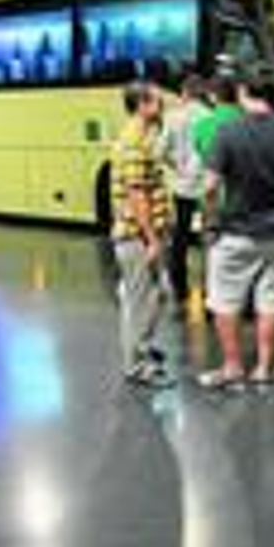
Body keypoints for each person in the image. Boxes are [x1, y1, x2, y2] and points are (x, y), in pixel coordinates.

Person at [200, 70, 274, 389]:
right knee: (271, 299)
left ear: (243, 91)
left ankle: (233, 366)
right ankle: (264, 367)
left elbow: (209, 185)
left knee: (225, 301)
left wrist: (210, 218)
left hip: (235, 232)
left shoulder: (228, 131)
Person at [110, 81, 174, 390]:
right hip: (137, 237)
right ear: (141, 105)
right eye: (157, 101)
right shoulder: (135, 142)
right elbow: (137, 196)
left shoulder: (141, 138)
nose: (162, 105)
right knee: (141, 299)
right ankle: (136, 365)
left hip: (141, 235)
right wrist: (152, 239)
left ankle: (142, 347)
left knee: (153, 295)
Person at [162, 74, 210, 306]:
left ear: (184, 92)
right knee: (208, 237)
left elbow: (161, 151)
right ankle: (210, 289)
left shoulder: (173, 117)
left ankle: (180, 288)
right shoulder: (209, 117)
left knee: (179, 236)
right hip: (206, 185)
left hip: (182, 185)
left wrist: (176, 166)